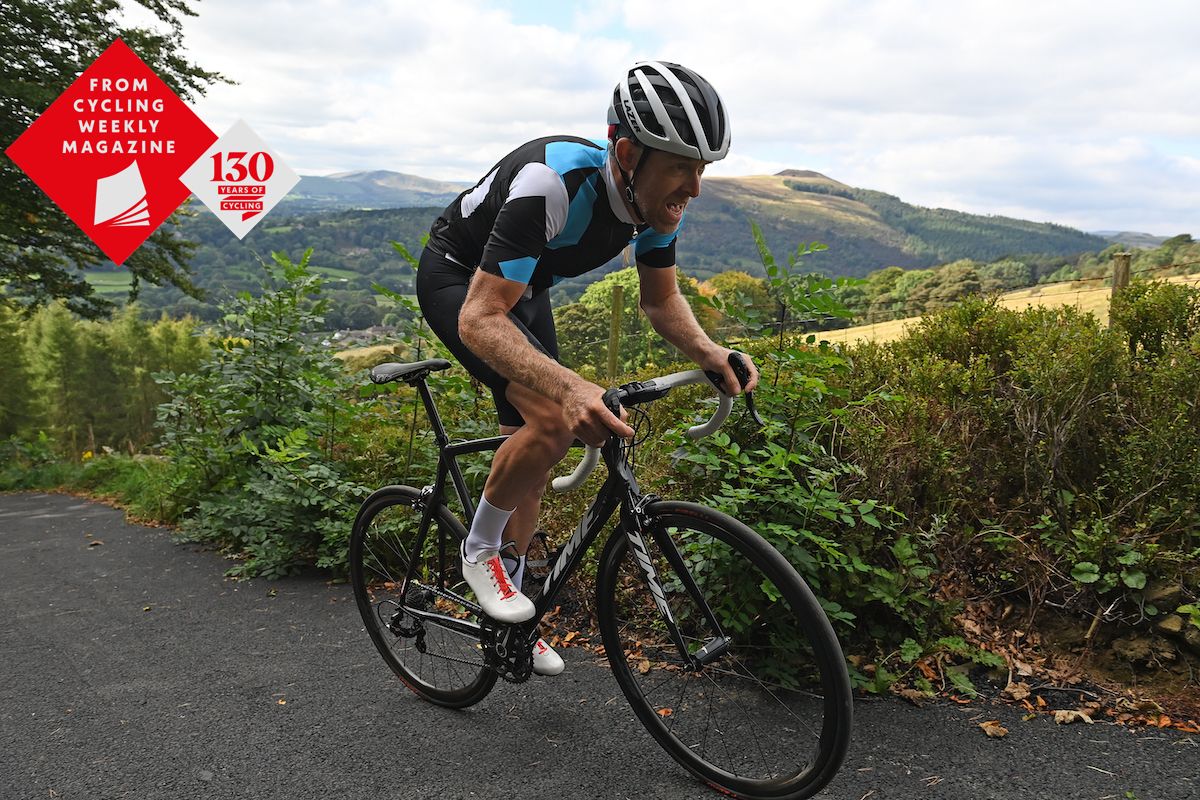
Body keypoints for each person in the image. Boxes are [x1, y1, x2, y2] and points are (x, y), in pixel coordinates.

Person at [414, 60, 759, 676]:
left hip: (524, 288)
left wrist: (709, 353)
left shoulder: (652, 207)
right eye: (681, 166)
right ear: (627, 153)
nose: (696, 187)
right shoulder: (550, 185)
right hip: (461, 283)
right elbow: (479, 319)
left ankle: (507, 609)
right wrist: (570, 386)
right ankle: (479, 551)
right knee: (552, 419)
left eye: (702, 167)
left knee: (536, 449)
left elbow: (660, 299)